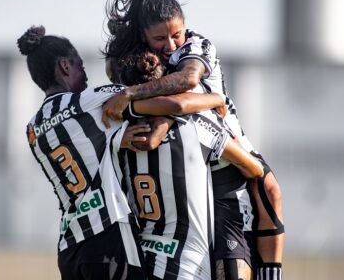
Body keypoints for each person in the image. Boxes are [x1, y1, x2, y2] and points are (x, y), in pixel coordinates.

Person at [102, 0, 285, 280]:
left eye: (177, 34)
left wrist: (131, 95)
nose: (172, 44)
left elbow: (187, 82)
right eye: (161, 38)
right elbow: (118, 73)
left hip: (225, 145)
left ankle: (272, 273)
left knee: (270, 189)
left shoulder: (197, 45)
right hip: (192, 159)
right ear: (144, 36)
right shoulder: (142, 58)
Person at [18, 25, 228, 280]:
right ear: (65, 66)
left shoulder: (32, 129)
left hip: (69, 246)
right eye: (80, 65)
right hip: (107, 235)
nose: (85, 74)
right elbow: (169, 102)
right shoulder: (88, 101)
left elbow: (85, 152)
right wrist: (215, 99)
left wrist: (116, 140)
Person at [113, 49, 265, 280]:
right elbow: (256, 169)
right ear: (163, 84)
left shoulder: (116, 132)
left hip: (140, 257)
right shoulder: (196, 123)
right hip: (186, 264)